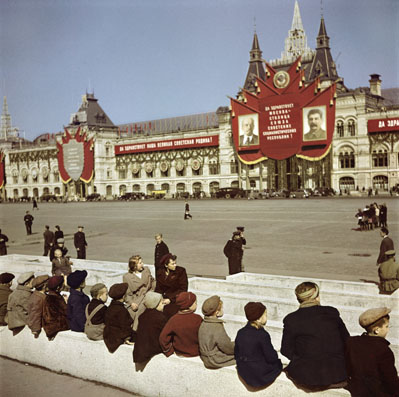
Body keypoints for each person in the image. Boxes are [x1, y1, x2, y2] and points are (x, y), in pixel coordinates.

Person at [281, 282, 349, 391]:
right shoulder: (332, 312)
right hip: (337, 374)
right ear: (316, 297)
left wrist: (303, 358)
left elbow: (285, 350)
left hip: (308, 377)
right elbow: (346, 339)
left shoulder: (291, 319)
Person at [345, 307, 399, 396]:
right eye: (386, 326)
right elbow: (390, 380)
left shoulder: (352, 342)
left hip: (357, 391)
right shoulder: (383, 350)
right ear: (376, 330)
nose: (388, 330)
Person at [234, 302, 282, 389]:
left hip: (244, 370)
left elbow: (236, 353)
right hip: (258, 375)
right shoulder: (263, 335)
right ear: (259, 319)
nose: (267, 317)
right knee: (278, 364)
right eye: (265, 315)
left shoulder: (240, 332)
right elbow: (271, 357)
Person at [159, 291, 202, 357]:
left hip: (179, 352)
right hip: (196, 353)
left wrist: (169, 351)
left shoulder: (173, 319)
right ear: (189, 305)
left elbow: (163, 338)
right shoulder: (198, 319)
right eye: (195, 303)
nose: (196, 304)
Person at [198, 295, 235, 369]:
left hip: (204, 357)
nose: (223, 310)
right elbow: (226, 347)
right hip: (214, 360)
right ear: (217, 312)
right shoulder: (217, 326)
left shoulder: (203, 323)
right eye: (222, 308)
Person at [133, 291, 168, 365]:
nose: (164, 303)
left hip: (141, 350)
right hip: (152, 349)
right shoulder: (160, 317)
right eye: (161, 302)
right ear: (155, 304)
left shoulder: (142, 316)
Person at [123, 255, 155, 331]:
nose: (142, 264)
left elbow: (153, 282)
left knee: (140, 310)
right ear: (134, 266)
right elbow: (127, 293)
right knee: (130, 312)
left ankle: (134, 331)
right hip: (136, 299)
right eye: (140, 263)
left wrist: (153, 291)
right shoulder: (127, 277)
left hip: (149, 295)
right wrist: (131, 303)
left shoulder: (146, 270)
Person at [103, 283, 136, 353]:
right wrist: (127, 338)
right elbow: (125, 327)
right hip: (117, 337)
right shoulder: (121, 310)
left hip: (109, 335)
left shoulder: (110, 307)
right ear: (123, 296)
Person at [155, 253, 188, 319]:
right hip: (162, 299)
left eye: (175, 263)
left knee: (169, 313)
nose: (175, 265)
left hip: (175, 299)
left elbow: (183, 289)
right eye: (172, 264)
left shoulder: (180, 271)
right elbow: (158, 288)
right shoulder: (160, 273)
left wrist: (170, 299)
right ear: (166, 265)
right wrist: (159, 300)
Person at [7, 271, 35, 335]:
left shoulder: (14, 293)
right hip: (21, 327)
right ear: (26, 283)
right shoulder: (26, 295)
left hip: (14, 324)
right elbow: (31, 311)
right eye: (33, 281)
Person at [42, 276, 70, 341]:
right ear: (58, 288)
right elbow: (66, 312)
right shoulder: (57, 299)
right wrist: (67, 302)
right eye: (62, 285)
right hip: (56, 327)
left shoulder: (48, 297)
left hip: (49, 326)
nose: (64, 286)